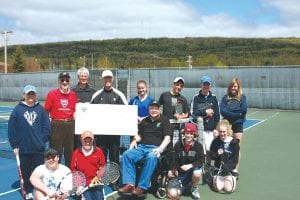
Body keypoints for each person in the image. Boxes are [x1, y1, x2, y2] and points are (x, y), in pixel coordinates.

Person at [118, 100, 172, 198]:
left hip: (155, 148)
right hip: (142, 147)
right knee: (126, 154)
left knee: (151, 157)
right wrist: (134, 141)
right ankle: (130, 184)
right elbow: (139, 136)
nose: (153, 110)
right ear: (149, 109)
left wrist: (160, 148)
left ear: (159, 109)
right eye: (151, 108)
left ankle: (141, 187)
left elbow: (167, 138)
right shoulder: (144, 121)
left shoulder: (165, 120)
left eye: (156, 108)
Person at [8, 85, 51, 200]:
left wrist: (41, 141)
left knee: (39, 172)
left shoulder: (40, 109)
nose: (31, 96)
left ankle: (39, 190)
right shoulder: (17, 110)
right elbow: (12, 129)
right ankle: (28, 191)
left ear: (35, 95)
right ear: (24, 95)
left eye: (32, 94)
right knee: (26, 172)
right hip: (24, 149)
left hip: (38, 149)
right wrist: (15, 145)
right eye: (28, 94)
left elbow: (46, 127)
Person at [90, 69, 127, 163]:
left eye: (109, 78)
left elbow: (127, 112)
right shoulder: (96, 95)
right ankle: (100, 178)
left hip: (114, 135)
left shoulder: (119, 95)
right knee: (100, 159)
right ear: (102, 79)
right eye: (105, 78)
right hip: (100, 135)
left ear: (112, 79)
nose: (107, 80)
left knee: (114, 158)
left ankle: (116, 178)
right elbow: (89, 113)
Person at [44, 72, 77, 168]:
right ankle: (54, 174)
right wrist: (47, 127)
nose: (65, 82)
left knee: (69, 152)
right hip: (56, 125)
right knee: (56, 152)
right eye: (62, 80)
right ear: (59, 81)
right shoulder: (52, 94)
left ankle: (68, 174)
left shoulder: (73, 95)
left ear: (69, 81)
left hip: (70, 125)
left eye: (67, 80)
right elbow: (46, 111)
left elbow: (75, 110)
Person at [167, 123, 204, 200]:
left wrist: (190, 165)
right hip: (181, 174)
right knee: (173, 194)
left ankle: (194, 188)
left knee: (197, 172)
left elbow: (201, 160)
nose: (189, 135)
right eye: (187, 133)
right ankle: (184, 186)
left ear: (194, 135)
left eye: (191, 133)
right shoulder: (178, 145)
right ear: (184, 133)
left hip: (192, 172)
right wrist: (173, 169)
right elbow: (174, 160)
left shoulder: (198, 146)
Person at [190, 75, 220, 166]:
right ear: (201, 85)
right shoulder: (196, 97)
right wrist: (205, 112)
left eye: (207, 84)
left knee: (209, 151)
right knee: (200, 150)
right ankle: (199, 167)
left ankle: (208, 168)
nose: (206, 86)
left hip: (210, 130)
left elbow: (217, 115)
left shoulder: (214, 98)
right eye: (204, 84)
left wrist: (216, 128)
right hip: (199, 130)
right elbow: (193, 112)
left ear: (210, 86)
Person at [220, 78, 247, 172]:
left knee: (236, 148)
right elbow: (222, 110)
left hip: (237, 125)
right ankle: (226, 167)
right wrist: (236, 114)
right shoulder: (225, 97)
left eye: (235, 86)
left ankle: (235, 169)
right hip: (227, 126)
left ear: (238, 87)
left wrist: (229, 112)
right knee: (226, 146)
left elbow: (243, 110)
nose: (233, 88)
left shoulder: (242, 97)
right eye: (232, 86)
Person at [70, 131, 106, 200]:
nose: (87, 142)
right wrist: (79, 185)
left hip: (96, 183)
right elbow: (74, 171)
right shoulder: (76, 153)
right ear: (81, 140)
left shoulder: (99, 151)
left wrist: (99, 176)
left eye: (89, 140)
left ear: (93, 140)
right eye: (85, 140)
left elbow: (102, 167)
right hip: (83, 184)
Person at [209, 119, 239, 193]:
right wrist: (217, 154)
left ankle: (231, 177)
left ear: (227, 131)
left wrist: (228, 168)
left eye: (224, 131)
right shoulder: (215, 142)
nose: (222, 134)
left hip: (229, 169)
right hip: (219, 169)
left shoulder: (234, 143)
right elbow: (212, 156)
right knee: (218, 188)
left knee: (228, 189)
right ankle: (217, 176)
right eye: (220, 132)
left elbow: (235, 159)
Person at [71, 67, 96, 149]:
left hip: (90, 126)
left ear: (88, 77)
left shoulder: (93, 92)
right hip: (77, 127)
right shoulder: (72, 92)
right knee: (77, 148)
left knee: (91, 147)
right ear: (78, 77)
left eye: (85, 76)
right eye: (81, 76)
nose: (83, 78)